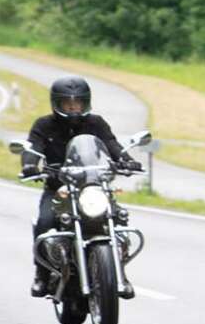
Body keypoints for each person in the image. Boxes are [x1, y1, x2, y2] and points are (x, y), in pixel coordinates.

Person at [21, 75, 142, 296]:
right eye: (68, 103)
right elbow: (33, 148)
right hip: (59, 189)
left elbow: (111, 144)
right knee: (44, 222)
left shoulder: (96, 123)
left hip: (93, 187)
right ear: (57, 103)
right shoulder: (44, 125)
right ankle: (42, 274)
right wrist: (29, 165)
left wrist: (126, 159)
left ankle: (119, 273)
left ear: (86, 102)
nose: (74, 107)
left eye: (78, 103)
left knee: (118, 219)